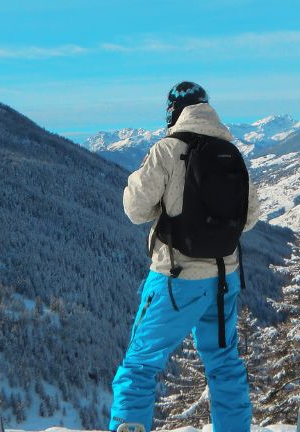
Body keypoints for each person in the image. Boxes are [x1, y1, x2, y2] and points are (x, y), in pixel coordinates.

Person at [109, 81, 260, 432]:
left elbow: (135, 209)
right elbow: (248, 219)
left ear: (173, 112)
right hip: (225, 277)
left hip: (176, 279)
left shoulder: (167, 149)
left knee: (139, 365)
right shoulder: (231, 152)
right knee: (224, 363)